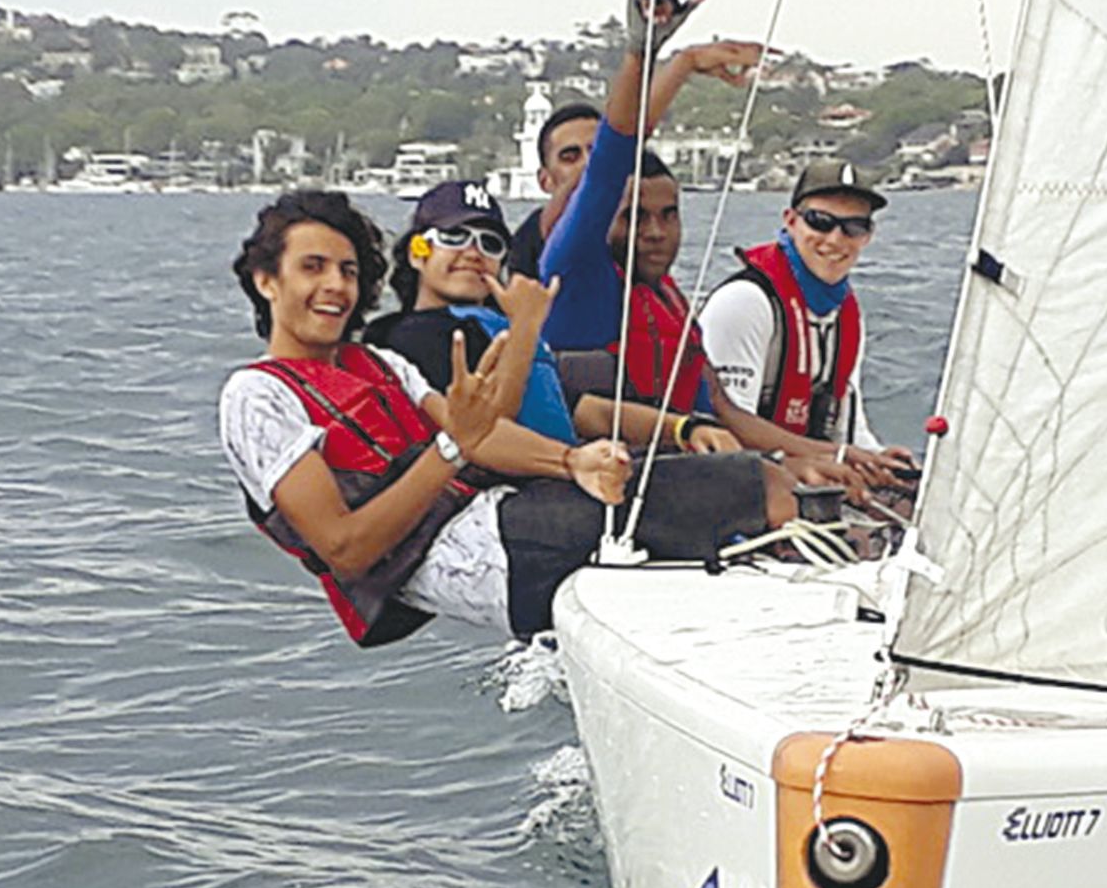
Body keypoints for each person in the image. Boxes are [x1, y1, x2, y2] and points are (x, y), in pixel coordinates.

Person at [218, 189, 794, 647]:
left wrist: (573, 462)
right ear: (266, 281)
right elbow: (346, 549)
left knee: (735, 497)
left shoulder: (381, 363)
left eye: (347, 270)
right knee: (761, 487)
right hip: (488, 558)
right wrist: (452, 449)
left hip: (513, 514)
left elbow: (482, 434)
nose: (335, 286)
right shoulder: (256, 396)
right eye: (313, 267)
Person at [537, 0, 891, 492]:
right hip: (612, 492)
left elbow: (725, 414)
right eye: (635, 217)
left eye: (669, 215)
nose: (655, 232)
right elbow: (609, 162)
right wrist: (650, 57)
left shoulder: (669, 299)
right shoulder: (576, 275)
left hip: (688, 477)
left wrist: (843, 456)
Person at [365, 179, 740, 456]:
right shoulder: (410, 338)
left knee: (743, 468)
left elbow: (586, 411)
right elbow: (486, 433)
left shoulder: (497, 326)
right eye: (454, 237)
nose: (473, 252)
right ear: (417, 252)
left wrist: (684, 428)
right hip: (516, 492)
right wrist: (525, 329)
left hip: (574, 470)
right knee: (756, 485)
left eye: (489, 243)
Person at [699, 159, 914, 470]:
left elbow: (848, 430)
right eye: (820, 221)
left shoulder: (846, 316)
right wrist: (834, 459)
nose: (835, 239)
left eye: (854, 226)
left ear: (868, 235)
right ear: (791, 221)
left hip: (806, 474)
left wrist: (878, 459)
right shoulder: (744, 302)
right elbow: (727, 430)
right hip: (740, 476)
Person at [503, 102, 600, 281]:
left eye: (597, 153)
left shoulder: (643, 225)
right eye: (570, 158)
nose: (588, 163)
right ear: (545, 180)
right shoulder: (529, 244)